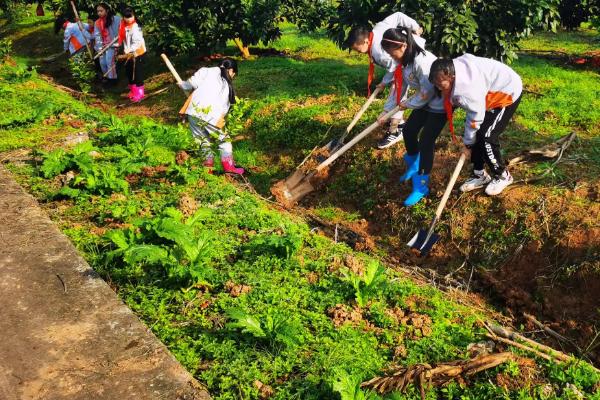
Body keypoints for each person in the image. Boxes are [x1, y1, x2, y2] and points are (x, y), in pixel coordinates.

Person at [429, 55, 523, 196]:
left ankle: (503, 175)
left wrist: (467, 145)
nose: (438, 88)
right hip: (487, 89)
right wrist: (469, 143)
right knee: (477, 134)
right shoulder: (452, 69)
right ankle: (480, 175)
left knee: (486, 136)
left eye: (440, 84)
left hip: (506, 91)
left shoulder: (467, 90)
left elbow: (475, 118)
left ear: (451, 76)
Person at [379, 27, 446, 206]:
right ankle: (415, 163)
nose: (391, 57)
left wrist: (408, 104)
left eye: (391, 53)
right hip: (423, 100)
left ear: (402, 46)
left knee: (426, 140)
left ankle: (421, 185)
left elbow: (429, 90)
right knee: (409, 131)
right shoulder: (404, 61)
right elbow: (400, 87)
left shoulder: (421, 62)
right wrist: (387, 111)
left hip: (439, 103)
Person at [346, 12, 424, 149]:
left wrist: (386, 108)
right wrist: (415, 27)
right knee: (396, 94)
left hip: (412, 59)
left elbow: (395, 68)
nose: (358, 52)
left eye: (358, 50)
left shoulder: (379, 52)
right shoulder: (378, 28)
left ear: (365, 41)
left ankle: (395, 131)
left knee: (397, 94)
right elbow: (398, 15)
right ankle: (398, 124)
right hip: (404, 59)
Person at [178, 58, 244, 175]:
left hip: (194, 111)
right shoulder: (227, 87)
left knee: (203, 141)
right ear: (232, 71)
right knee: (224, 141)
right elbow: (224, 110)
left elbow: (188, 85)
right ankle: (229, 168)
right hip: (212, 115)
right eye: (234, 74)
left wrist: (182, 84)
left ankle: (207, 170)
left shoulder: (205, 71)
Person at [117, 7, 146, 102]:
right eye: (126, 17)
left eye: (130, 16)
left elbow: (137, 43)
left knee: (137, 74)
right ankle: (133, 92)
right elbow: (122, 39)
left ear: (134, 16)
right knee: (129, 73)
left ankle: (140, 94)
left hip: (137, 53)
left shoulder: (136, 27)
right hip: (128, 53)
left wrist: (129, 51)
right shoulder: (123, 26)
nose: (128, 19)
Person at [93, 3, 120, 84]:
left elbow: (121, 30)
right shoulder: (97, 22)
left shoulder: (115, 19)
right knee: (102, 62)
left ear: (107, 11)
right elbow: (97, 36)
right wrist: (99, 48)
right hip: (103, 45)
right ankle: (107, 77)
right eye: (98, 11)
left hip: (113, 44)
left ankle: (113, 80)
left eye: (101, 11)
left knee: (109, 61)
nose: (99, 13)